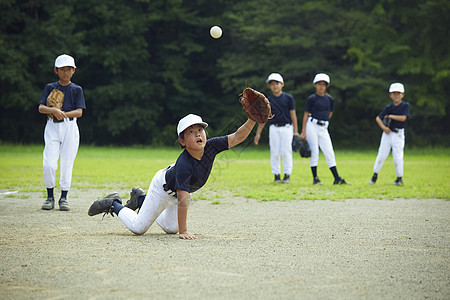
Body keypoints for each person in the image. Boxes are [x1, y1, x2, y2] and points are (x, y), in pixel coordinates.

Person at [88, 114, 257, 240]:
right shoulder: (184, 163)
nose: (198, 134)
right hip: (162, 189)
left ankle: (140, 200)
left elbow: (237, 137)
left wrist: (252, 119)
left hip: (176, 193)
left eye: (200, 130)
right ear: (182, 142)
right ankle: (114, 203)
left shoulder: (211, 146)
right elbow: (184, 199)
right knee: (138, 228)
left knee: (170, 228)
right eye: (191, 132)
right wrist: (184, 231)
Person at [38, 54, 86, 211]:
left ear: (73, 71)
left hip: (70, 127)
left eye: (69, 69)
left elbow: (79, 112)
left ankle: (63, 197)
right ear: (56, 70)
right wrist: (53, 110)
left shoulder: (77, 89)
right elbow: (40, 108)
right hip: (52, 126)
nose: (66, 72)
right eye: (62, 69)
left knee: (67, 163)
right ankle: (50, 196)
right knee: (49, 164)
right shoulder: (50, 87)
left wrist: (62, 113)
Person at [299, 73, 349, 185]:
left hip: (323, 127)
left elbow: (330, 113)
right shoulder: (311, 98)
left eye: (323, 84)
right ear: (315, 85)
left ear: (327, 86)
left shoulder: (330, 99)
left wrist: (324, 122)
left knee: (329, 152)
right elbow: (306, 114)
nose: (321, 86)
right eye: (319, 84)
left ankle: (337, 178)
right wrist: (303, 131)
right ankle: (315, 178)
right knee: (315, 152)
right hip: (312, 125)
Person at [254, 73, 299, 183]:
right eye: (272, 84)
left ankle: (287, 175)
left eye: (277, 83)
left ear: (282, 84)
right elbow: (264, 117)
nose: (275, 86)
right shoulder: (268, 100)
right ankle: (276, 175)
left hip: (287, 127)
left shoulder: (289, 98)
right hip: (274, 128)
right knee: (274, 152)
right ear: (269, 86)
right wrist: (258, 133)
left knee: (286, 151)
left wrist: (296, 132)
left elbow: (293, 115)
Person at [369, 83, 410, 186]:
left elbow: (403, 118)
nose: (396, 95)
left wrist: (391, 116)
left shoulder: (405, 106)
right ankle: (374, 176)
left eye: (398, 93)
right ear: (390, 95)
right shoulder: (389, 107)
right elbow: (378, 118)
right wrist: (383, 128)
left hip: (398, 134)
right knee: (381, 155)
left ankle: (399, 178)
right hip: (387, 134)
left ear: (402, 95)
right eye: (394, 93)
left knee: (398, 157)